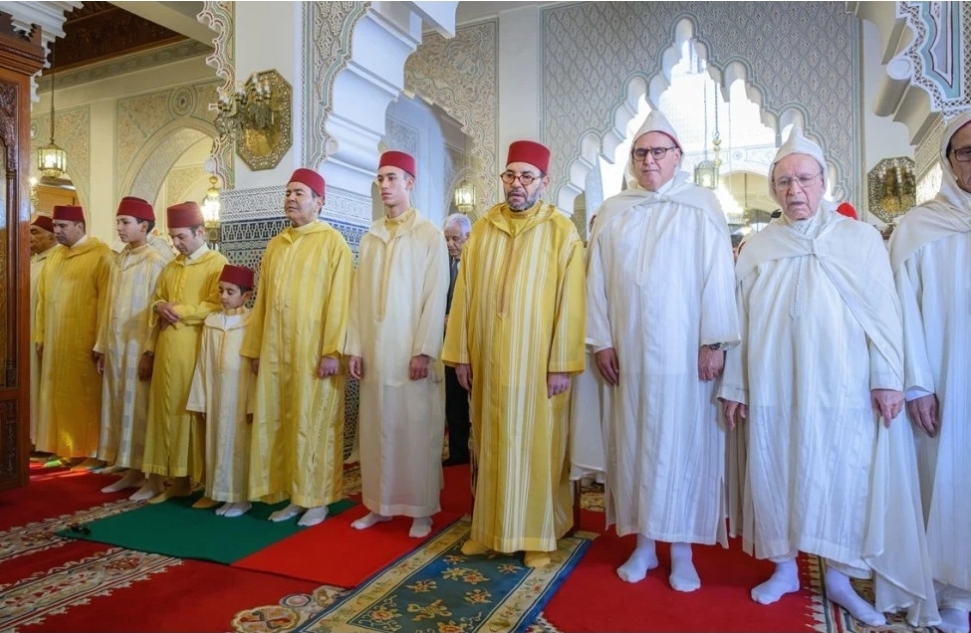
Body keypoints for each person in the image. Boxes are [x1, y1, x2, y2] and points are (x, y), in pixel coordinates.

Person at [719, 126, 938, 627]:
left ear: (824, 181)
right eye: (783, 182)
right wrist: (736, 384)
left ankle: (839, 579)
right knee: (776, 470)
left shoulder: (858, 240)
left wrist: (887, 378)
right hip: (775, 385)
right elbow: (741, 322)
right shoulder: (758, 248)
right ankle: (783, 568)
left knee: (843, 477)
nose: (794, 191)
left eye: (804, 179)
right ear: (774, 189)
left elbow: (885, 317)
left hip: (843, 387)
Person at [586, 111, 739, 592]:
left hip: (685, 355)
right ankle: (645, 543)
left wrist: (713, 341)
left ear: (678, 158)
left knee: (682, 444)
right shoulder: (614, 211)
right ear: (631, 160)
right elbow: (596, 284)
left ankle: (683, 550)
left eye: (658, 152)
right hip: (629, 355)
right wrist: (602, 339)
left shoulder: (701, 206)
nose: (649, 160)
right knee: (635, 445)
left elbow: (719, 278)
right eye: (640, 153)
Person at [442, 140, 585, 568]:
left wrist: (562, 362)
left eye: (526, 177)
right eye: (510, 176)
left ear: (544, 182)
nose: (517, 184)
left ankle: (539, 535)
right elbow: (463, 294)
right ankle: (488, 530)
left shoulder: (561, 230)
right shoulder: (484, 226)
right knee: (489, 441)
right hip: (487, 358)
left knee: (537, 444)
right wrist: (462, 353)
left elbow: (571, 301)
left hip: (538, 363)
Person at [890, 109, 971, 633]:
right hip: (946, 380)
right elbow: (902, 312)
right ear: (947, 162)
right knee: (949, 480)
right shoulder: (919, 228)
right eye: (967, 151)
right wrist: (917, 383)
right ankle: (954, 594)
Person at [346, 151, 450, 538]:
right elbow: (357, 298)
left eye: (392, 178)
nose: (385, 185)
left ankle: (421, 509)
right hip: (375, 352)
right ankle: (379, 504)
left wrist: (424, 349)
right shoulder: (370, 236)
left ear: (409, 182)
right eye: (381, 179)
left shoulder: (429, 234)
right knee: (377, 428)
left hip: (410, 352)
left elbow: (435, 294)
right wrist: (355, 346)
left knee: (416, 427)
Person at [241, 168, 353, 527]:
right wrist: (257, 347)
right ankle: (293, 495)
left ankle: (317, 499)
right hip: (276, 350)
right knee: (282, 421)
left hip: (315, 353)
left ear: (320, 202)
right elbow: (262, 302)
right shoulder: (276, 244)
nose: (291, 198)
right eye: (288, 192)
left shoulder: (332, 242)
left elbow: (341, 300)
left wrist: (333, 351)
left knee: (314, 423)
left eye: (299, 193)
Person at [138, 202, 227, 504]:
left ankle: (190, 479)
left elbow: (217, 304)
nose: (175, 244)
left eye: (181, 237)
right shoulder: (171, 266)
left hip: (194, 349)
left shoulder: (216, 263)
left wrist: (180, 311)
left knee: (186, 412)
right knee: (163, 411)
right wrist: (158, 309)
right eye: (173, 238)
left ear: (200, 232)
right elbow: (158, 300)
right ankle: (168, 478)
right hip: (165, 349)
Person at [94, 197, 171, 493]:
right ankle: (129, 467)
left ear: (144, 226)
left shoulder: (156, 262)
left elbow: (158, 310)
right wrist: (102, 346)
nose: (120, 228)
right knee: (118, 404)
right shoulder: (118, 260)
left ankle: (148, 475)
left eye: (126, 223)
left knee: (139, 410)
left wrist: (150, 352)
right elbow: (108, 305)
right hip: (116, 347)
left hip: (138, 349)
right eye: (118, 222)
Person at [34, 205, 114, 469]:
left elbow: (107, 303)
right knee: (62, 396)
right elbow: (43, 301)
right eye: (55, 226)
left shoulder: (101, 256)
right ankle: (69, 448)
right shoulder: (56, 257)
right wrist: (41, 336)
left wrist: (102, 342)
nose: (57, 231)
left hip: (86, 342)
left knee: (87, 397)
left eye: (62, 227)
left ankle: (92, 451)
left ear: (80, 226)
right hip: (57, 343)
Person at [187, 264, 256, 518]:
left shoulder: (252, 323)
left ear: (246, 296)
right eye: (221, 291)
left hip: (239, 395)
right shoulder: (212, 322)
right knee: (217, 443)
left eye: (230, 292)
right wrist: (202, 400)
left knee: (237, 446)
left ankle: (240, 498)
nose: (224, 297)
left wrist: (252, 404)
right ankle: (222, 494)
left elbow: (254, 368)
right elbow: (203, 363)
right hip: (216, 394)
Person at [569, 212, 605, 484]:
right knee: (588, 412)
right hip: (583, 342)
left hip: (611, 343)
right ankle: (588, 468)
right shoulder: (579, 255)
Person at [442, 212, 472, 466]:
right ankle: (458, 452)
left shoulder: (477, 264)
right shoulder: (447, 265)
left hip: (472, 343)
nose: (451, 244)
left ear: (468, 238)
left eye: (456, 239)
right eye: (448, 239)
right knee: (454, 400)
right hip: (450, 344)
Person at [29, 214, 57, 452]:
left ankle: (41, 440)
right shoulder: (31, 261)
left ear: (52, 236)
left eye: (35, 232)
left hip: (44, 336)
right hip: (24, 335)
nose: (30, 237)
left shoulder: (54, 261)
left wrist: (43, 335)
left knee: (41, 387)